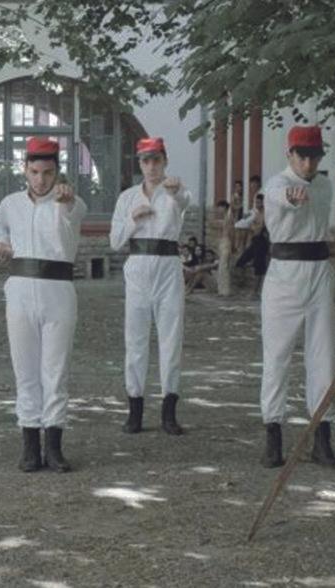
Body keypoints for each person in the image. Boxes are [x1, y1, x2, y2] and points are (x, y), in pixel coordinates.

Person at [0, 137, 87, 472]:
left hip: (58, 290)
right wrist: (0, 243)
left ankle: (55, 445)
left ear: (58, 172)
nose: (41, 179)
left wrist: (67, 202)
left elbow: (72, 218)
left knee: (55, 370)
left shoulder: (72, 203)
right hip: (20, 289)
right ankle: (30, 443)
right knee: (25, 369)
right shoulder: (11, 203)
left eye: (47, 172)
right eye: (34, 171)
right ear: (25, 170)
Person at [259, 125, 335, 468]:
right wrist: (292, 198)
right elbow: (283, 197)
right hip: (284, 273)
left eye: (315, 155)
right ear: (290, 154)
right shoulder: (277, 184)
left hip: (319, 270)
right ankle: (273, 434)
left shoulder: (325, 184)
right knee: (277, 356)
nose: (308, 162)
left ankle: (322, 436)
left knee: (323, 357)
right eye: (302, 155)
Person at [109, 137, 190, 436]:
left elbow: (185, 201)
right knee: (136, 339)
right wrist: (132, 219)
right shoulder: (128, 197)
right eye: (146, 160)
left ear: (165, 161)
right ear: (139, 164)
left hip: (168, 266)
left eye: (157, 159)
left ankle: (169, 408)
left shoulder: (174, 190)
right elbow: (115, 241)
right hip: (138, 267)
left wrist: (176, 191)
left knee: (171, 337)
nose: (152, 166)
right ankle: (135, 409)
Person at [235, 192, 270, 298]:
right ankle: (243, 282)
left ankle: (255, 292)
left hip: (262, 241)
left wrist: (253, 227)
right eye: (256, 202)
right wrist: (253, 227)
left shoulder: (266, 214)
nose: (257, 204)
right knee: (240, 262)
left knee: (259, 268)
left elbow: (259, 230)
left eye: (259, 202)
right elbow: (240, 224)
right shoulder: (255, 213)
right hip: (254, 241)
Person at [215, 200, 234, 297]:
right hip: (222, 241)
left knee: (224, 266)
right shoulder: (225, 218)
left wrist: (232, 245)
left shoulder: (229, 217)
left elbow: (231, 232)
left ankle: (225, 291)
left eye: (220, 207)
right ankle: (221, 290)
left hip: (226, 241)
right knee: (221, 267)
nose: (218, 210)